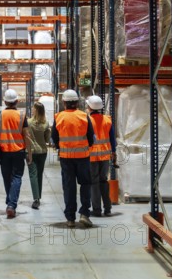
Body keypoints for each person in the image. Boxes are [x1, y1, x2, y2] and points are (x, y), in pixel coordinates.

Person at [51, 89, 94, 228]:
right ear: (77, 102)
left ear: (64, 103)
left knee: (69, 187)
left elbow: (55, 138)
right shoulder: (84, 116)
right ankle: (85, 214)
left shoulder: (58, 117)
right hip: (83, 157)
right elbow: (91, 137)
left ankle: (70, 218)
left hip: (66, 158)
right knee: (86, 185)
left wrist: (61, 147)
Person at [0, 89, 32, 219]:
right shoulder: (21, 115)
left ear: (4, 102)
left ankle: (10, 202)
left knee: (7, 177)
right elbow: (27, 135)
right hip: (19, 151)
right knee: (17, 177)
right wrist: (29, 153)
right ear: (17, 101)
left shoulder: (0, 114)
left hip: (4, 152)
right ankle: (11, 204)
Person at [86, 95, 117, 217]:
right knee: (103, 181)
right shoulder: (107, 120)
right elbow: (112, 139)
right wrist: (113, 153)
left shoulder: (87, 120)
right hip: (105, 155)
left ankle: (97, 209)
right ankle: (108, 208)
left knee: (94, 182)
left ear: (89, 107)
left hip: (92, 156)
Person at [27, 101, 51, 209]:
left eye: (33, 108)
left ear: (36, 110)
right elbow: (47, 139)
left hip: (31, 152)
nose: (32, 109)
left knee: (33, 175)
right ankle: (38, 197)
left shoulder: (28, 123)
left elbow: (26, 138)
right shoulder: (46, 124)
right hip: (42, 152)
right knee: (39, 174)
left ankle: (36, 198)